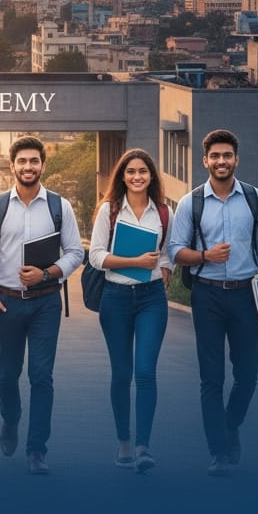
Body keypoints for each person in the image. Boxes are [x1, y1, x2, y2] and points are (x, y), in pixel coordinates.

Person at [167, 129, 258, 477]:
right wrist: (205, 255)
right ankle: (218, 451)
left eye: (226, 155)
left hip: (247, 294)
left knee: (248, 376)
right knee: (211, 379)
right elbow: (175, 251)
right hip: (208, 295)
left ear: (236, 159)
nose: (221, 161)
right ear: (205, 161)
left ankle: (229, 426)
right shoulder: (192, 202)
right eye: (214, 156)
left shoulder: (254, 198)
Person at [0, 136, 83, 475]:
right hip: (8, 303)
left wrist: (47, 273)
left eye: (33, 161)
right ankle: (10, 419)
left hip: (45, 304)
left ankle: (37, 449)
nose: (28, 167)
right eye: (21, 161)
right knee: (7, 374)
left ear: (43, 165)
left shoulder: (59, 206)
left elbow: (75, 253)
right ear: (12, 166)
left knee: (41, 376)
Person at [88, 148, 172, 472]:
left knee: (146, 372)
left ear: (151, 176)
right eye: (131, 171)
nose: (137, 176)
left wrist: (166, 267)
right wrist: (134, 262)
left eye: (143, 171)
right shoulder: (109, 211)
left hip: (152, 298)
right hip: (116, 298)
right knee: (122, 374)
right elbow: (96, 256)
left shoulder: (163, 212)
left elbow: (167, 252)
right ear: (122, 176)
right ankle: (124, 440)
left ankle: (142, 447)